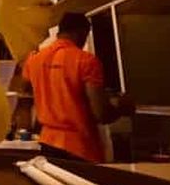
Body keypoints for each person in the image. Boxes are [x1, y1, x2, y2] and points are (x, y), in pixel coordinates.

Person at [22, 12, 133, 162]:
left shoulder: (34, 59)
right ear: (81, 33)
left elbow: (26, 90)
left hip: (47, 144)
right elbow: (100, 114)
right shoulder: (86, 61)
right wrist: (122, 107)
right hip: (79, 148)